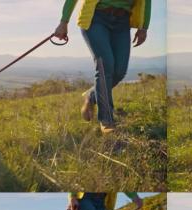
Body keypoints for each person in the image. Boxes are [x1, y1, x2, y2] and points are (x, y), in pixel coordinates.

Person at [53, 1, 151, 133]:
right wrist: (63, 22)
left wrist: (144, 27)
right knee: (105, 65)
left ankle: (91, 95)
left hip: (123, 21)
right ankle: (106, 120)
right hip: (96, 17)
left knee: (119, 71)